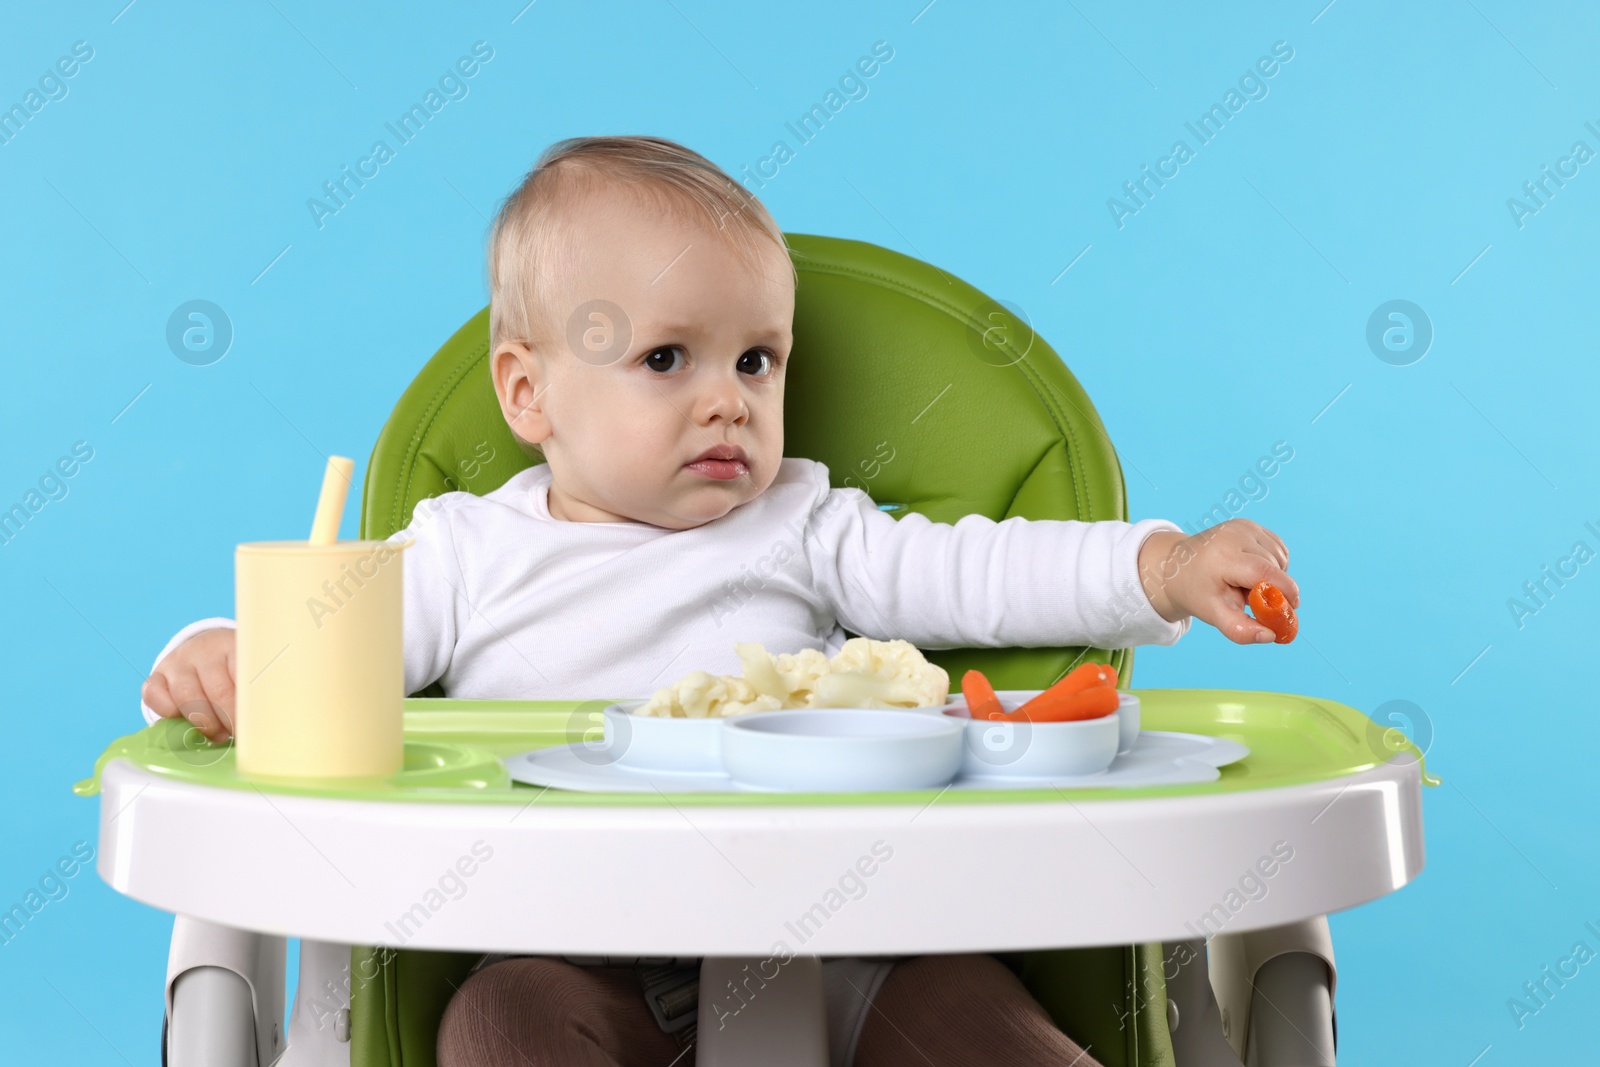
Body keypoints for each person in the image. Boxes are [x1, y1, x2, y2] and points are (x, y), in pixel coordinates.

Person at [141, 136, 1303, 1067]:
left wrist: (1159, 566)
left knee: (970, 1014)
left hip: (853, 950)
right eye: (665, 360)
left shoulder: (803, 524)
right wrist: (223, 653)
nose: (728, 403)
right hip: (568, 952)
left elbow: (977, 568)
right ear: (528, 389)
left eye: (757, 360)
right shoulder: (462, 553)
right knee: (495, 1028)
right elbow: (319, 653)